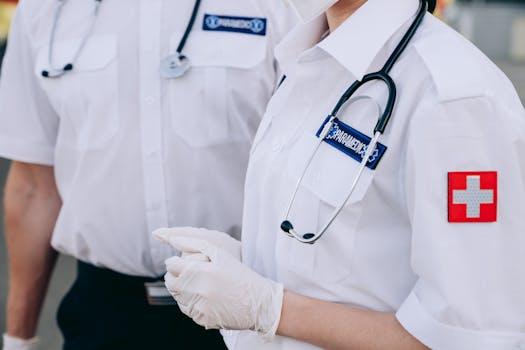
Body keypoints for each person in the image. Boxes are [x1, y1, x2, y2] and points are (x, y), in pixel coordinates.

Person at [155, 0, 525, 348]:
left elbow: (468, 339)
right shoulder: (310, 57)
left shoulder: (452, 98)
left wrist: (270, 308)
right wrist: (251, 263)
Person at [0, 0, 294, 349]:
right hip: (103, 315)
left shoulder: (281, 5)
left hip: (251, 310)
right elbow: (34, 186)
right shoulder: (45, 9)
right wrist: (19, 337)